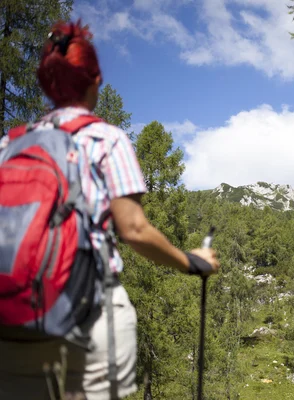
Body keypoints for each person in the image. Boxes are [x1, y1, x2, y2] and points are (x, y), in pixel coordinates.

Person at [0, 20, 220, 400]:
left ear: (48, 83)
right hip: (92, 310)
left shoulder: (9, 145)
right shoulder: (107, 138)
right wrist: (191, 261)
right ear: (96, 79)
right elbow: (133, 230)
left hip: (13, 313)